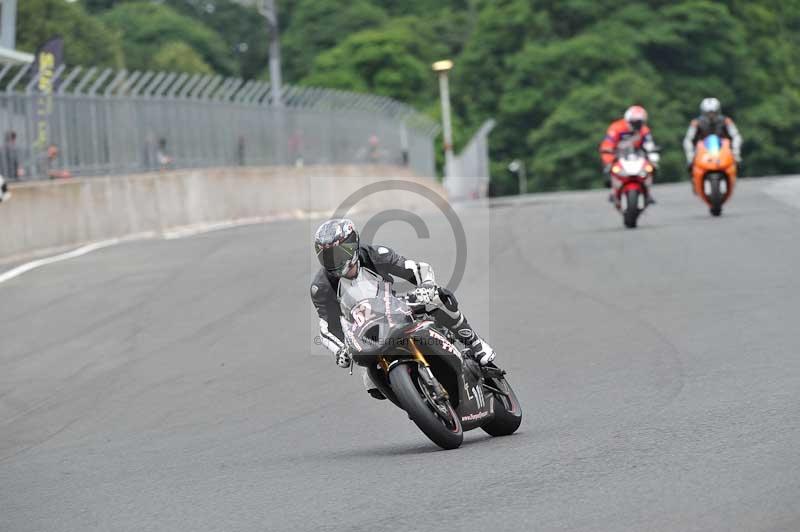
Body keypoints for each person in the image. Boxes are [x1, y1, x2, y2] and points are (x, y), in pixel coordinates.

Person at [310, 218, 495, 399]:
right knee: (373, 388)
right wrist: (340, 350)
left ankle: (474, 342)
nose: (335, 260)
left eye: (340, 252)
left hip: (396, 307)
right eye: (327, 256)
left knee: (437, 297)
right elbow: (326, 328)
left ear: (353, 245)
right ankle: (419, 400)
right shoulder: (321, 286)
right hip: (365, 331)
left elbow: (418, 269)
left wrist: (426, 286)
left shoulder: (375, 254)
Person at [599, 105, 658, 205]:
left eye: (640, 123)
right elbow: (608, 144)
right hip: (618, 155)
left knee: (650, 169)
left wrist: (653, 159)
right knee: (612, 169)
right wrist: (609, 159)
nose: (637, 125)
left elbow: (649, 144)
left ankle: (647, 192)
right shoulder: (616, 127)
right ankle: (614, 191)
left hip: (638, 155)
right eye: (634, 122)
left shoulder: (644, 130)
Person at [683, 97, 742, 176]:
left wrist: (735, 153)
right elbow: (688, 139)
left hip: (723, 151)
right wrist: (690, 157)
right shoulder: (696, 123)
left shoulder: (726, 121)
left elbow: (736, 136)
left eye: (713, 112)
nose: (711, 115)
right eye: (708, 113)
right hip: (703, 153)